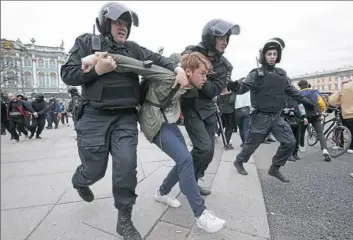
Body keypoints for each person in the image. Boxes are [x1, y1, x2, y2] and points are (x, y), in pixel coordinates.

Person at [60, 2, 188, 239]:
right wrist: (98, 71)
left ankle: (124, 219)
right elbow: (67, 73)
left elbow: (158, 59)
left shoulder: (133, 49)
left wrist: (177, 68)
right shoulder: (87, 43)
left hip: (125, 117)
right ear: (105, 23)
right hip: (94, 117)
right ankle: (81, 180)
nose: (123, 28)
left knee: (126, 168)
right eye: (118, 22)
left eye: (126, 25)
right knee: (95, 170)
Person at [138, 52, 226, 233]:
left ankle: (161, 192)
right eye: (202, 74)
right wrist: (106, 59)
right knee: (185, 159)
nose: (205, 78)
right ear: (188, 70)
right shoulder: (169, 75)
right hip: (153, 122)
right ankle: (201, 214)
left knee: (184, 159)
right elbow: (140, 66)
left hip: (168, 121)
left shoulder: (190, 85)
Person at [227, 38, 315, 183]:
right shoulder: (256, 73)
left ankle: (275, 168)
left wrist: (306, 101)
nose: (272, 56)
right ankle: (239, 161)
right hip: (261, 116)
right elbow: (243, 88)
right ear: (263, 56)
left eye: (275, 54)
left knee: (290, 142)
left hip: (277, 116)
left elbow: (291, 90)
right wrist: (234, 85)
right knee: (252, 144)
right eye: (269, 54)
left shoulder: (281, 74)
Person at [180, 19, 240, 195]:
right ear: (210, 36)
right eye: (221, 37)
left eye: (227, 38)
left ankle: (192, 179)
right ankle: (187, 181)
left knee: (208, 152)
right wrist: (205, 75)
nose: (225, 42)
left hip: (209, 109)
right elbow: (182, 73)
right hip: (190, 107)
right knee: (203, 148)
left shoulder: (225, 65)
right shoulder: (191, 51)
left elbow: (213, 90)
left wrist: (199, 74)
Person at [297, 80, 331, 161]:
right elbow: (322, 103)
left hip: (305, 116)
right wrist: (321, 111)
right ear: (307, 85)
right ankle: (325, 150)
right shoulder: (315, 92)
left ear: (299, 86)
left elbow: (300, 106)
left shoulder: (298, 94)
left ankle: (302, 147)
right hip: (316, 115)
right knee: (320, 133)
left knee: (301, 132)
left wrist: (303, 116)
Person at [328, 77, 353, 154]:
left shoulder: (344, 88)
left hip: (347, 113)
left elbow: (332, 101)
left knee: (340, 128)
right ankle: (350, 147)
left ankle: (340, 145)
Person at [233, 77, 251, 147]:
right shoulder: (249, 90)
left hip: (238, 111)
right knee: (246, 128)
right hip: (247, 109)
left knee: (240, 128)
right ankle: (246, 144)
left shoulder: (236, 91)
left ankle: (243, 142)